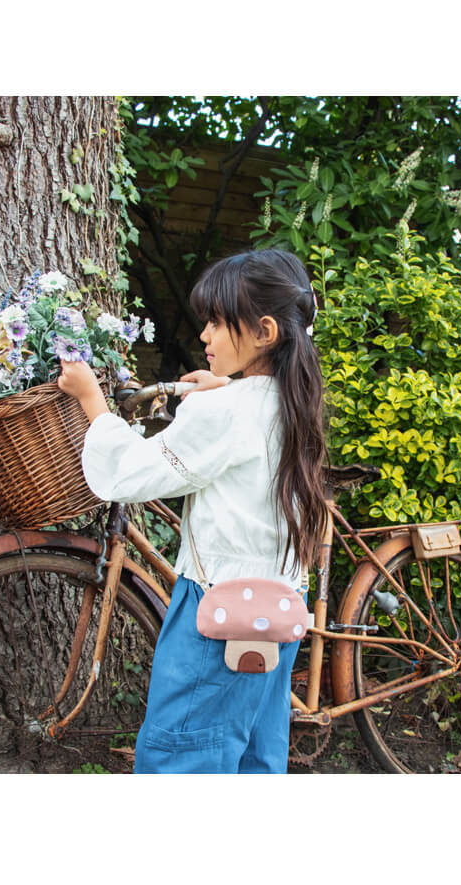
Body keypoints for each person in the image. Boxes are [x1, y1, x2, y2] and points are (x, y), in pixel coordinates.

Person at [57, 248, 327, 774]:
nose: (204, 334)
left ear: (263, 331)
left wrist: (92, 400)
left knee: (181, 759)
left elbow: (128, 474)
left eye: (217, 322)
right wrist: (223, 389)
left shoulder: (227, 410)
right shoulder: (290, 401)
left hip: (217, 612)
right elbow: (245, 423)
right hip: (277, 609)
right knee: (253, 756)